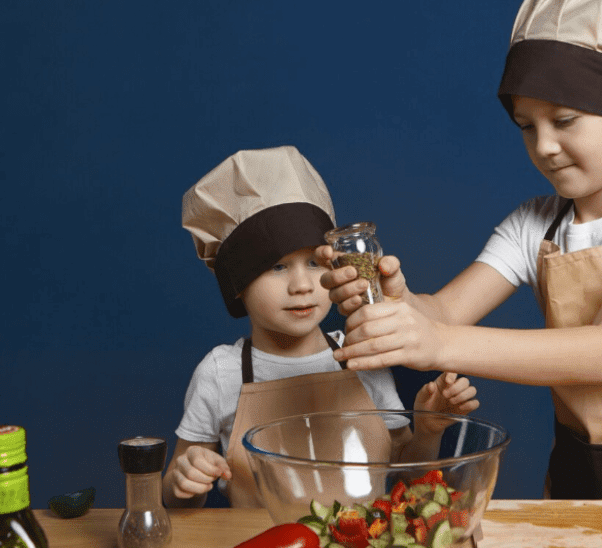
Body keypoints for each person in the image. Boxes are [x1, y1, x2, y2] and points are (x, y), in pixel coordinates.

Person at [318, 0, 602, 501]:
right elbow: (445, 312)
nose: (543, 146)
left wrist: (438, 341)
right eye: (526, 125)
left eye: (564, 120)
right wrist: (397, 304)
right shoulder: (535, 223)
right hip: (575, 476)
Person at [164, 145, 478, 508]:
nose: (302, 285)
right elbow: (172, 500)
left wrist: (426, 430)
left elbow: (405, 476)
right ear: (237, 283)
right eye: (277, 267)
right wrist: (184, 480)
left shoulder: (362, 354)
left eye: (314, 263)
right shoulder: (220, 373)